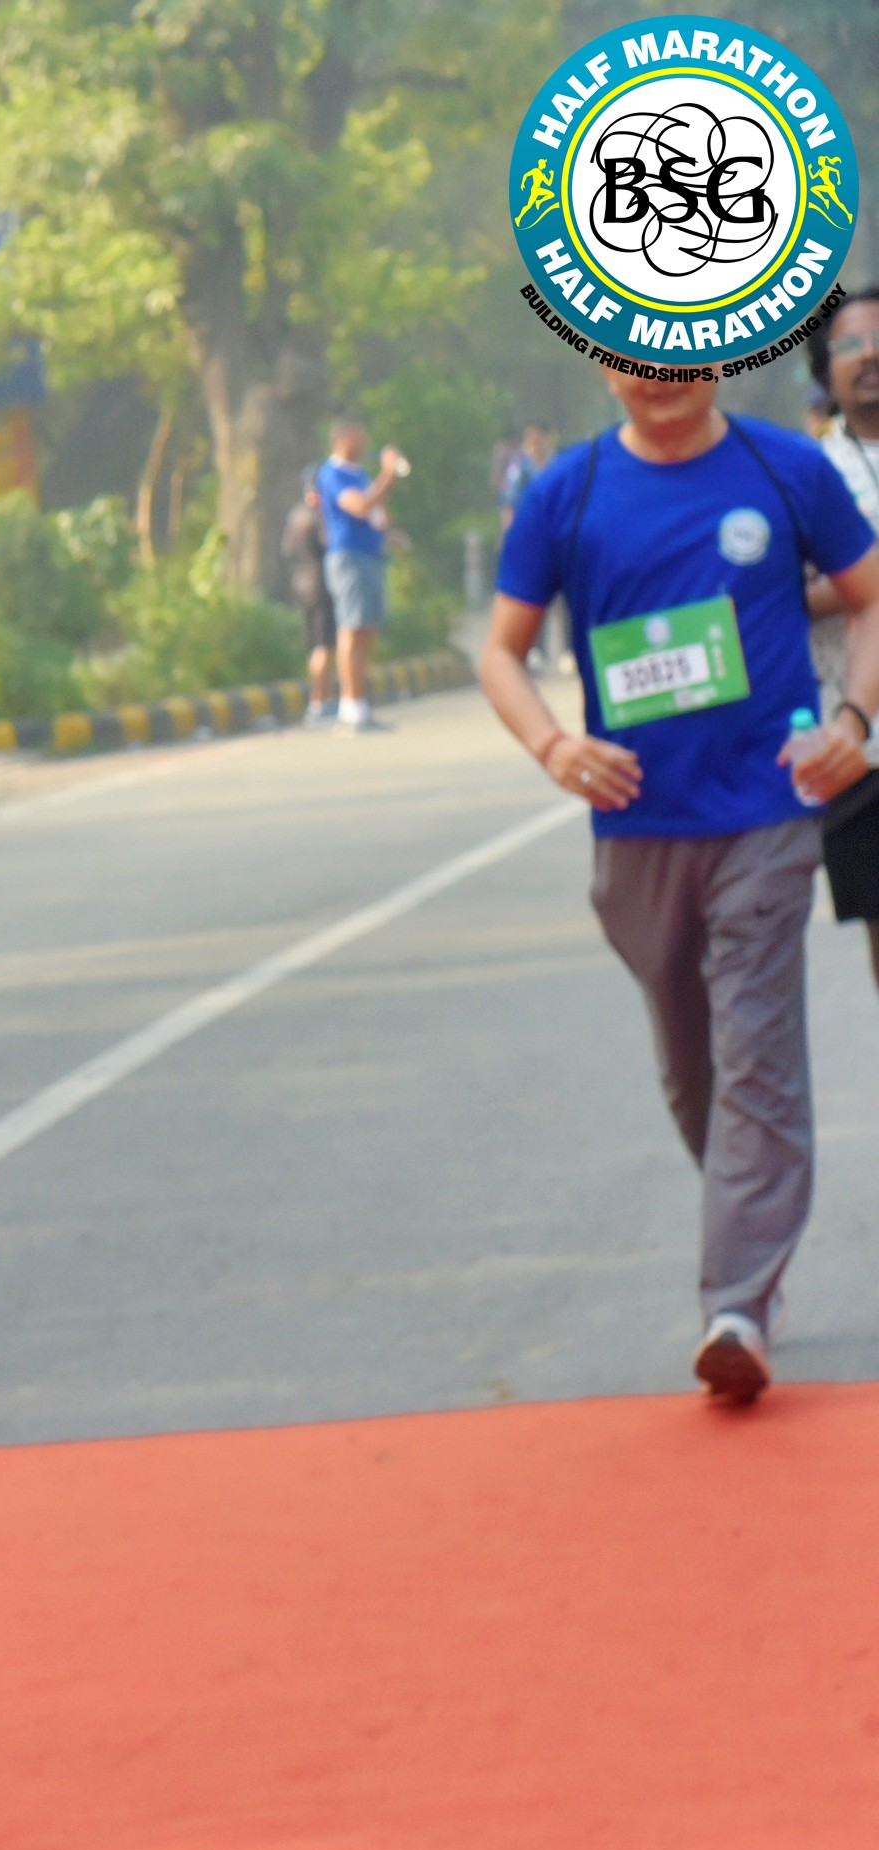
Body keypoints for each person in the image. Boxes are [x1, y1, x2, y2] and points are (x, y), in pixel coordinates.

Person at [480, 362, 879, 1406]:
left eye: (683, 352)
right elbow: (502, 652)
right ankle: (752, 1222)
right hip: (636, 822)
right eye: (639, 356)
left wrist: (852, 720)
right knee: (693, 1066)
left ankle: (735, 1306)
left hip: (768, 810)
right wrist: (553, 746)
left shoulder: (785, 470)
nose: (661, 377)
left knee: (756, 1055)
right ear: (605, 362)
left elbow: (872, 596)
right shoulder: (564, 493)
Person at [804, 296, 879, 984]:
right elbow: (777, 597)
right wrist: (860, 585)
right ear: (826, 369)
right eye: (851, 345)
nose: (871, 355)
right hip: (861, 746)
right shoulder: (805, 473)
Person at [317, 416, 408, 732]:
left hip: (370, 555)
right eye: (359, 434)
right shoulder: (332, 473)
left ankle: (360, 704)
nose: (365, 441)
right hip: (348, 557)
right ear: (342, 437)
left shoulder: (360, 474)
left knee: (367, 630)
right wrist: (388, 475)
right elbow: (359, 507)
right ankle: (350, 706)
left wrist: (388, 535)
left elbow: (376, 516)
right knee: (352, 629)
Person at [286, 467, 339, 717]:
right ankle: (320, 700)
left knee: (314, 645)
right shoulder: (321, 515)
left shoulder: (295, 514)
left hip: (301, 584)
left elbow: (287, 550)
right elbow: (330, 545)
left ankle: (318, 699)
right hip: (322, 585)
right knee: (324, 645)